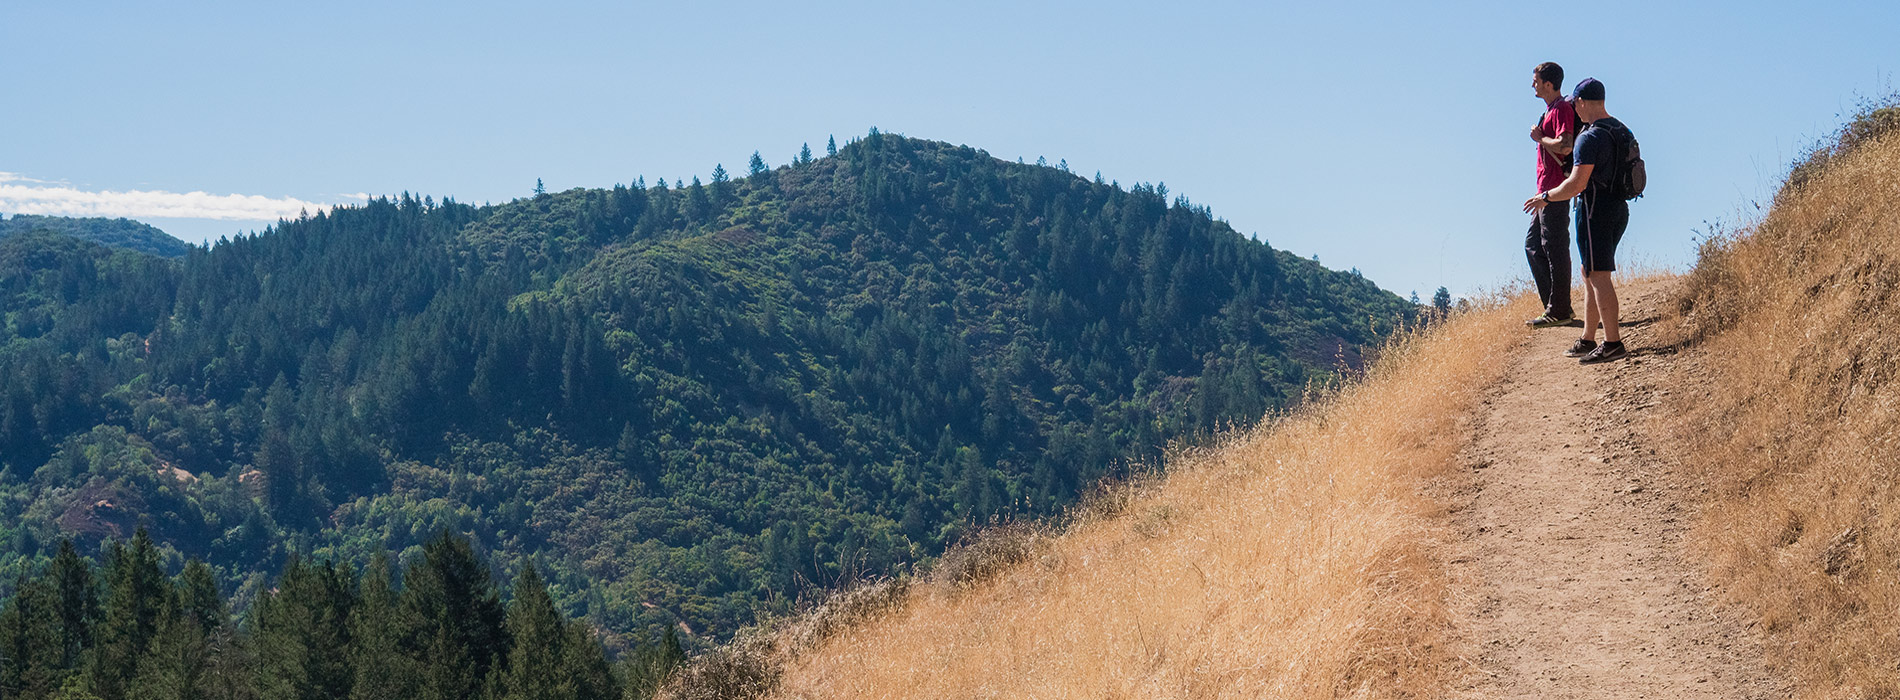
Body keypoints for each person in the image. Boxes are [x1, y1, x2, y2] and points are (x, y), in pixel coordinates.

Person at [1522, 77, 1631, 364]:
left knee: (1598, 276)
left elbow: (1576, 184)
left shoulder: (1589, 137)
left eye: (1576, 105)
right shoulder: (1622, 130)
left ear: (1581, 102)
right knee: (1589, 272)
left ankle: (1612, 343)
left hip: (1595, 208)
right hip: (1620, 208)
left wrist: (1545, 196)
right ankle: (1588, 338)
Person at [1524, 62, 1576, 328]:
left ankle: (1560, 309)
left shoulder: (1562, 109)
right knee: (1534, 246)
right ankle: (1555, 307)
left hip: (1555, 190)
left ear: (1548, 83)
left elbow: (1566, 146)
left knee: (1553, 247)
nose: (1532, 84)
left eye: (1536, 80)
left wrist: (1540, 138)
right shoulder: (1551, 111)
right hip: (1545, 190)